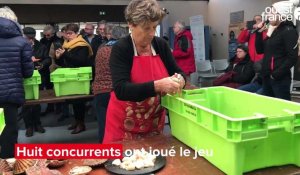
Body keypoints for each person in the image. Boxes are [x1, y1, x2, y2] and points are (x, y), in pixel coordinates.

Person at [103, 0, 186, 143]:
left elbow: (179, 72)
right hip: (124, 126)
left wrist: (180, 80)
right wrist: (158, 86)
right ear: (131, 25)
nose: (152, 33)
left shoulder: (160, 45)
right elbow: (121, 89)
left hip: (153, 124)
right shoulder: (121, 48)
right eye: (147, 28)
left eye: (155, 27)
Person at [0, 6, 34, 158]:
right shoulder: (22, 42)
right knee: (8, 131)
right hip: (10, 94)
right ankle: (8, 165)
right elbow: (28, 73)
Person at [256, 1, 299, 100]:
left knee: (282, 110)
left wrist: (276, 74)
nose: (269, 15)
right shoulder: (275, 30)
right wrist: (258, 33)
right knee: (269, 109)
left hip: (279, 79)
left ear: (281, 14)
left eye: (272, 12)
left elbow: (292, 57)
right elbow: (260, 50)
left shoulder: (289, 31)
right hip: (267, 77)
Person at [55, 23, 93, 134]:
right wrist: (58, 57)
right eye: (66, 33)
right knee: (73, 101)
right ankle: (77, 121)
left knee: (79, 102)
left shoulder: (82, 45)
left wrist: (65, 54)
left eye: (70, 33)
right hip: (70, 75)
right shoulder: (67, 44)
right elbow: (62, 62)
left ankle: (81, 124)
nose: (67, 36)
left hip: (80, 77)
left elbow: (80, 61)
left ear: (77, 34)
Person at [92, 25, 127, 143]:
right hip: (115, 91)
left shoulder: (102, 48)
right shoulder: (122, 49)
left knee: (103, 125)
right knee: (118, 126)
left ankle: (103, 155)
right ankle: (119, 154)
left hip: (99, 91)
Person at [22, 27, 51, 137]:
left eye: (31, 37)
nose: (29, 40)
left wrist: (41, 64)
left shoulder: (41, 46)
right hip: (24, 78)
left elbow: (48, 59)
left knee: (36, 102)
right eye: (27, 37)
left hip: (38, 77)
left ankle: (37, 124)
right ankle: (29, 126)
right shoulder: (19, 47)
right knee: (25, 104)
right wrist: (27, 60)